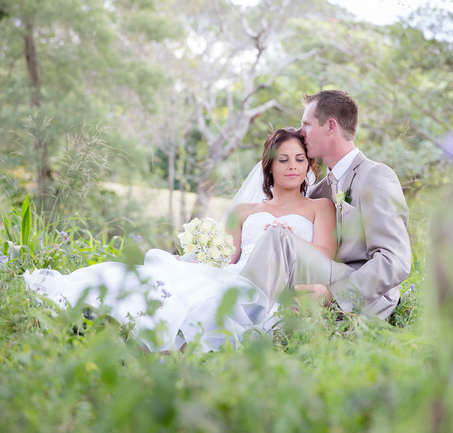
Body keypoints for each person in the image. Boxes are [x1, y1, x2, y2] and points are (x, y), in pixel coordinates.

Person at [23, 128, 336, 352]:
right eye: (283, 159)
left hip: (278, 277)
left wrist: (291, 240)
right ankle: (102, 318)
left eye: (299, 158)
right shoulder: (244, 210)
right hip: (238, 273)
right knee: (179, 284)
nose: (293, 166)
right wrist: (192, 259)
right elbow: (228, 257)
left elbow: (324, 256)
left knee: (209, 302)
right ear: (269, 165)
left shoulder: (319, 207)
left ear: (309, 164)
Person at [239, 90, 411, 319]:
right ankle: (243, 316)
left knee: (278, 236)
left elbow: (395, 261)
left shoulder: (375, 176)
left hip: (366, 299)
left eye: (307, 125)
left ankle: (240, 321)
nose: (300, 132)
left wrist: (333, 294)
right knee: (278, 234)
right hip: (324, 273)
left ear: (330, 127)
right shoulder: (319, 191)